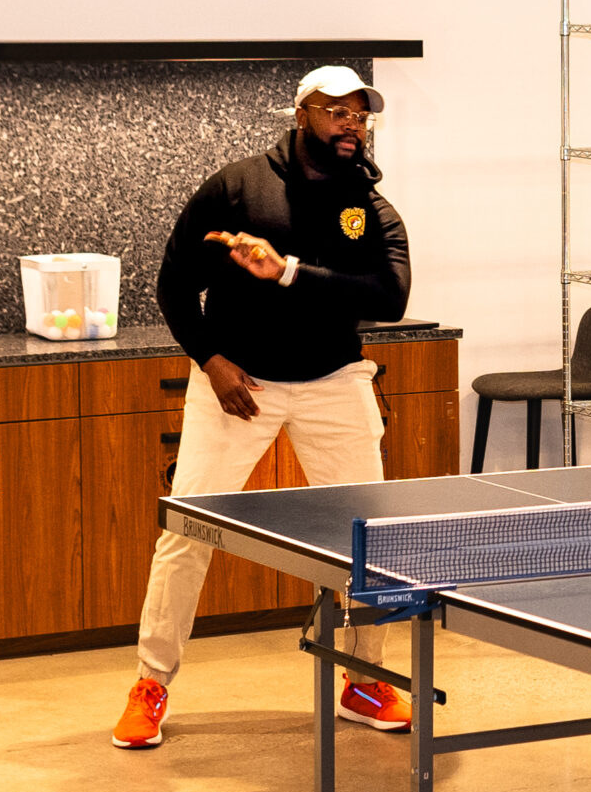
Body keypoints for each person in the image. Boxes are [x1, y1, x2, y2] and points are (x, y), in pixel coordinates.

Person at [113, 66, 415, 750]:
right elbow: (173, 283)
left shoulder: (369, 205)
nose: (351, 124)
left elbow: (390, 296)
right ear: (302, 114)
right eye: (336, 111)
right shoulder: (237, 188)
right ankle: (150, 683)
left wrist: (287, 271)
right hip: (239, 382)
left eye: (360, 114)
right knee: (188, 531)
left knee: (368, 537)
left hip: (334, 379)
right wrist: (210, 359)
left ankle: (364, 679)